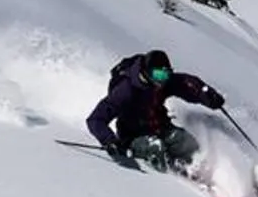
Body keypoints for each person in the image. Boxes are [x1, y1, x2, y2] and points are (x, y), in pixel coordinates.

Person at [88, 49, 225, 169]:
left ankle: (198, 170)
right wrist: (110, 141)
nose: (162, 80)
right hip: (133, 136)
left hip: (161, 128)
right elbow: (96, 119)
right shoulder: (127, 90)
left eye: (165, 75)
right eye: (158, 75)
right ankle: (174, 176)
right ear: (146, 72)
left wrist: (208, 96)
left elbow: (187, 84)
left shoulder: (162, 83)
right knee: (156, 148)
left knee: (185, 141)